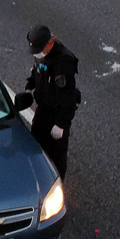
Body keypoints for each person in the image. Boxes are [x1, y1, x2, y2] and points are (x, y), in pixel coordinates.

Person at [24, 25, 80, 180]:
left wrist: (61, 123)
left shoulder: (63, 61)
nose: (37, 54)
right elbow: (36, 72)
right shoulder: (40, 53)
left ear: (49, 43)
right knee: (36, 147)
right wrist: (30, 87)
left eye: (39, 50)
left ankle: (56, 186)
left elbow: (69, 96)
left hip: (57, 114)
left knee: (56, 157)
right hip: (43, 110)